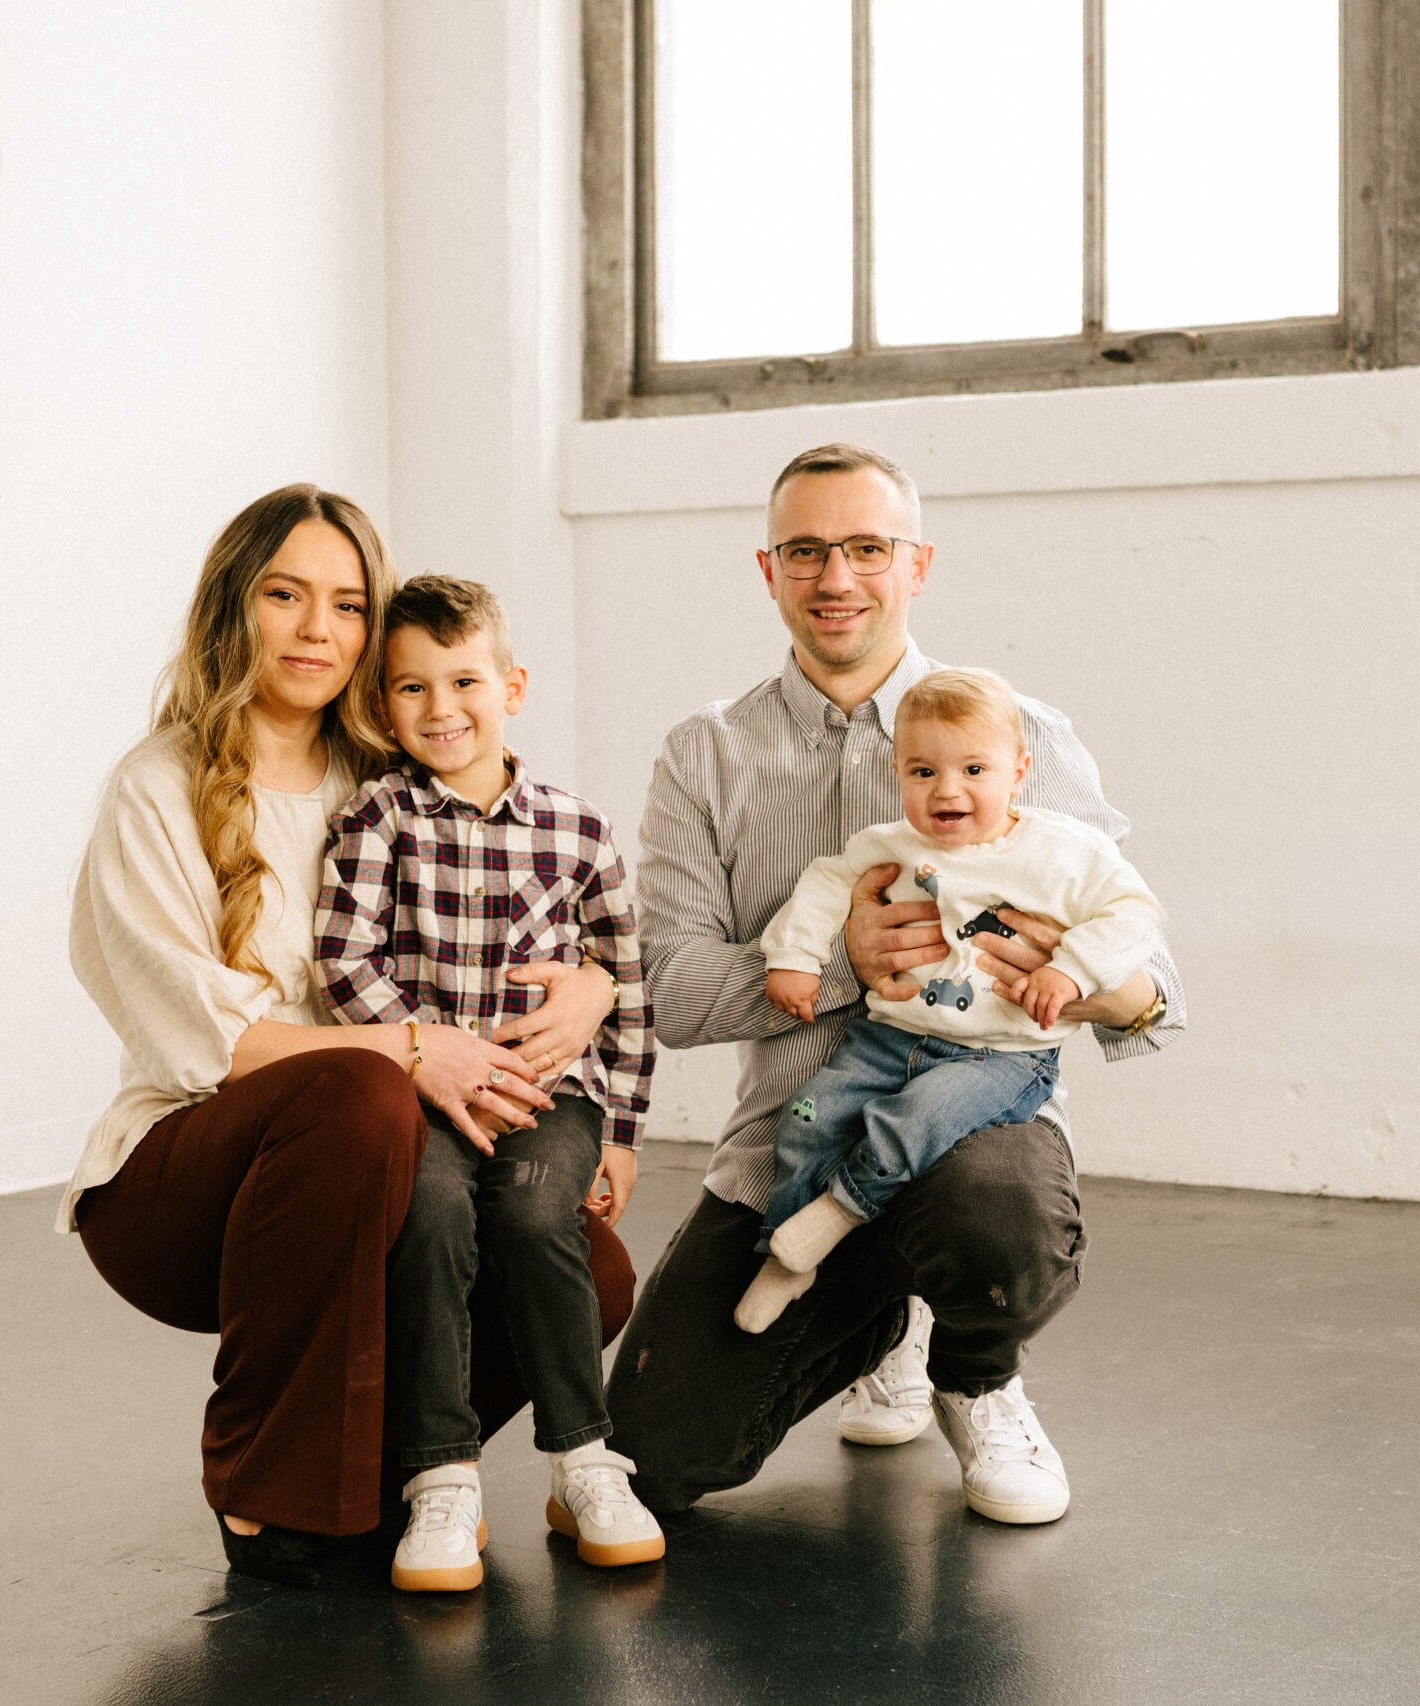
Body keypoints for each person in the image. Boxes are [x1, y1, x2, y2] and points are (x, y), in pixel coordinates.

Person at [59, 486, 633, 1589]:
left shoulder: (392, 783)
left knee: (584, 1267)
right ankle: (265, 1485)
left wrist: (597, 987)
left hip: (383, 1158)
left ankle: (400, 1471)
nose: (318, 629)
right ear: (236, 607)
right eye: (286, 595)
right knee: (355, 1095)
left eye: (348, 604)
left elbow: (542, 892)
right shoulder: (156, 788)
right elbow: (210, 1044)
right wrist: (412, 1051)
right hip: (184, 1184)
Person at [606, 442, 1187, 1526]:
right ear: (767, 568)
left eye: (867, 547)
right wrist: (847, 965)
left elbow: (1156, 986)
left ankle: (974, 1369)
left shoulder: (1022, 734)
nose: (837, 577)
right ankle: (882, 1316)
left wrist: (1085, 983)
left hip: (976, 1116)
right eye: (807, 550)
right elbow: (674, 993)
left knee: (997, 1235)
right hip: (795, 1130)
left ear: (915, 564)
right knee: (652, 1456)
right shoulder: (706, 755)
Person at [316, 574, 667, 1591]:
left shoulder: (576, 829)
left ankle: (583, 1459)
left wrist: (624, 1130)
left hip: (548, 1097)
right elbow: (345, 960)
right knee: (427, 1212)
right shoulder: (376, 816)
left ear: (510, 685)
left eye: (463, 680)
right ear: (384, 704)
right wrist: (426, 1049)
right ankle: (441, 1474)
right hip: (425, 1087)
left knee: (527, 1211)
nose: (440, 708)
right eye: (410, 688)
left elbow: (623, 981)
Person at [736, 667, 1164, 1374]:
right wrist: (798, 956)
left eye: (973, 769)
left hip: (998, 1056)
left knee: (917, 1117)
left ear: (1019, 771)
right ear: (898, 771)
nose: (947, 790)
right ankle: (787, 1253)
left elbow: (1135, 913)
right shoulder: (890, 845)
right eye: (923, 770)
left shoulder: (1063, 852)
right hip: (887, 1039)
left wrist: (1071, 970)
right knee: (810, 1115)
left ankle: (834, 1219)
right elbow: (825, 882)